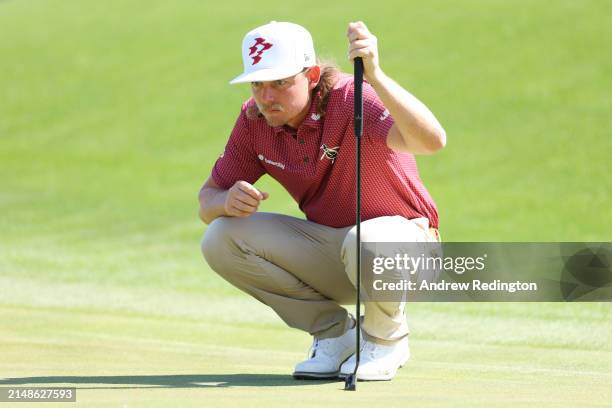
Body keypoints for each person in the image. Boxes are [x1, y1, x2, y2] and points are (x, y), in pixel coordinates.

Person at [199, 20, 445, 381]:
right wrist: (226, 201)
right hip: (340, 254)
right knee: (220, 238)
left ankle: (384, 339)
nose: (266, 97)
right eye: (258, 84)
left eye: (280, 83)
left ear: (312, 75)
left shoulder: (352, 97)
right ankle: (336, 335)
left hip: (406, 254)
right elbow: (207, 202)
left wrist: (374, 75)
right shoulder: (255, 120)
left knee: (368, 241)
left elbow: (432, 141)